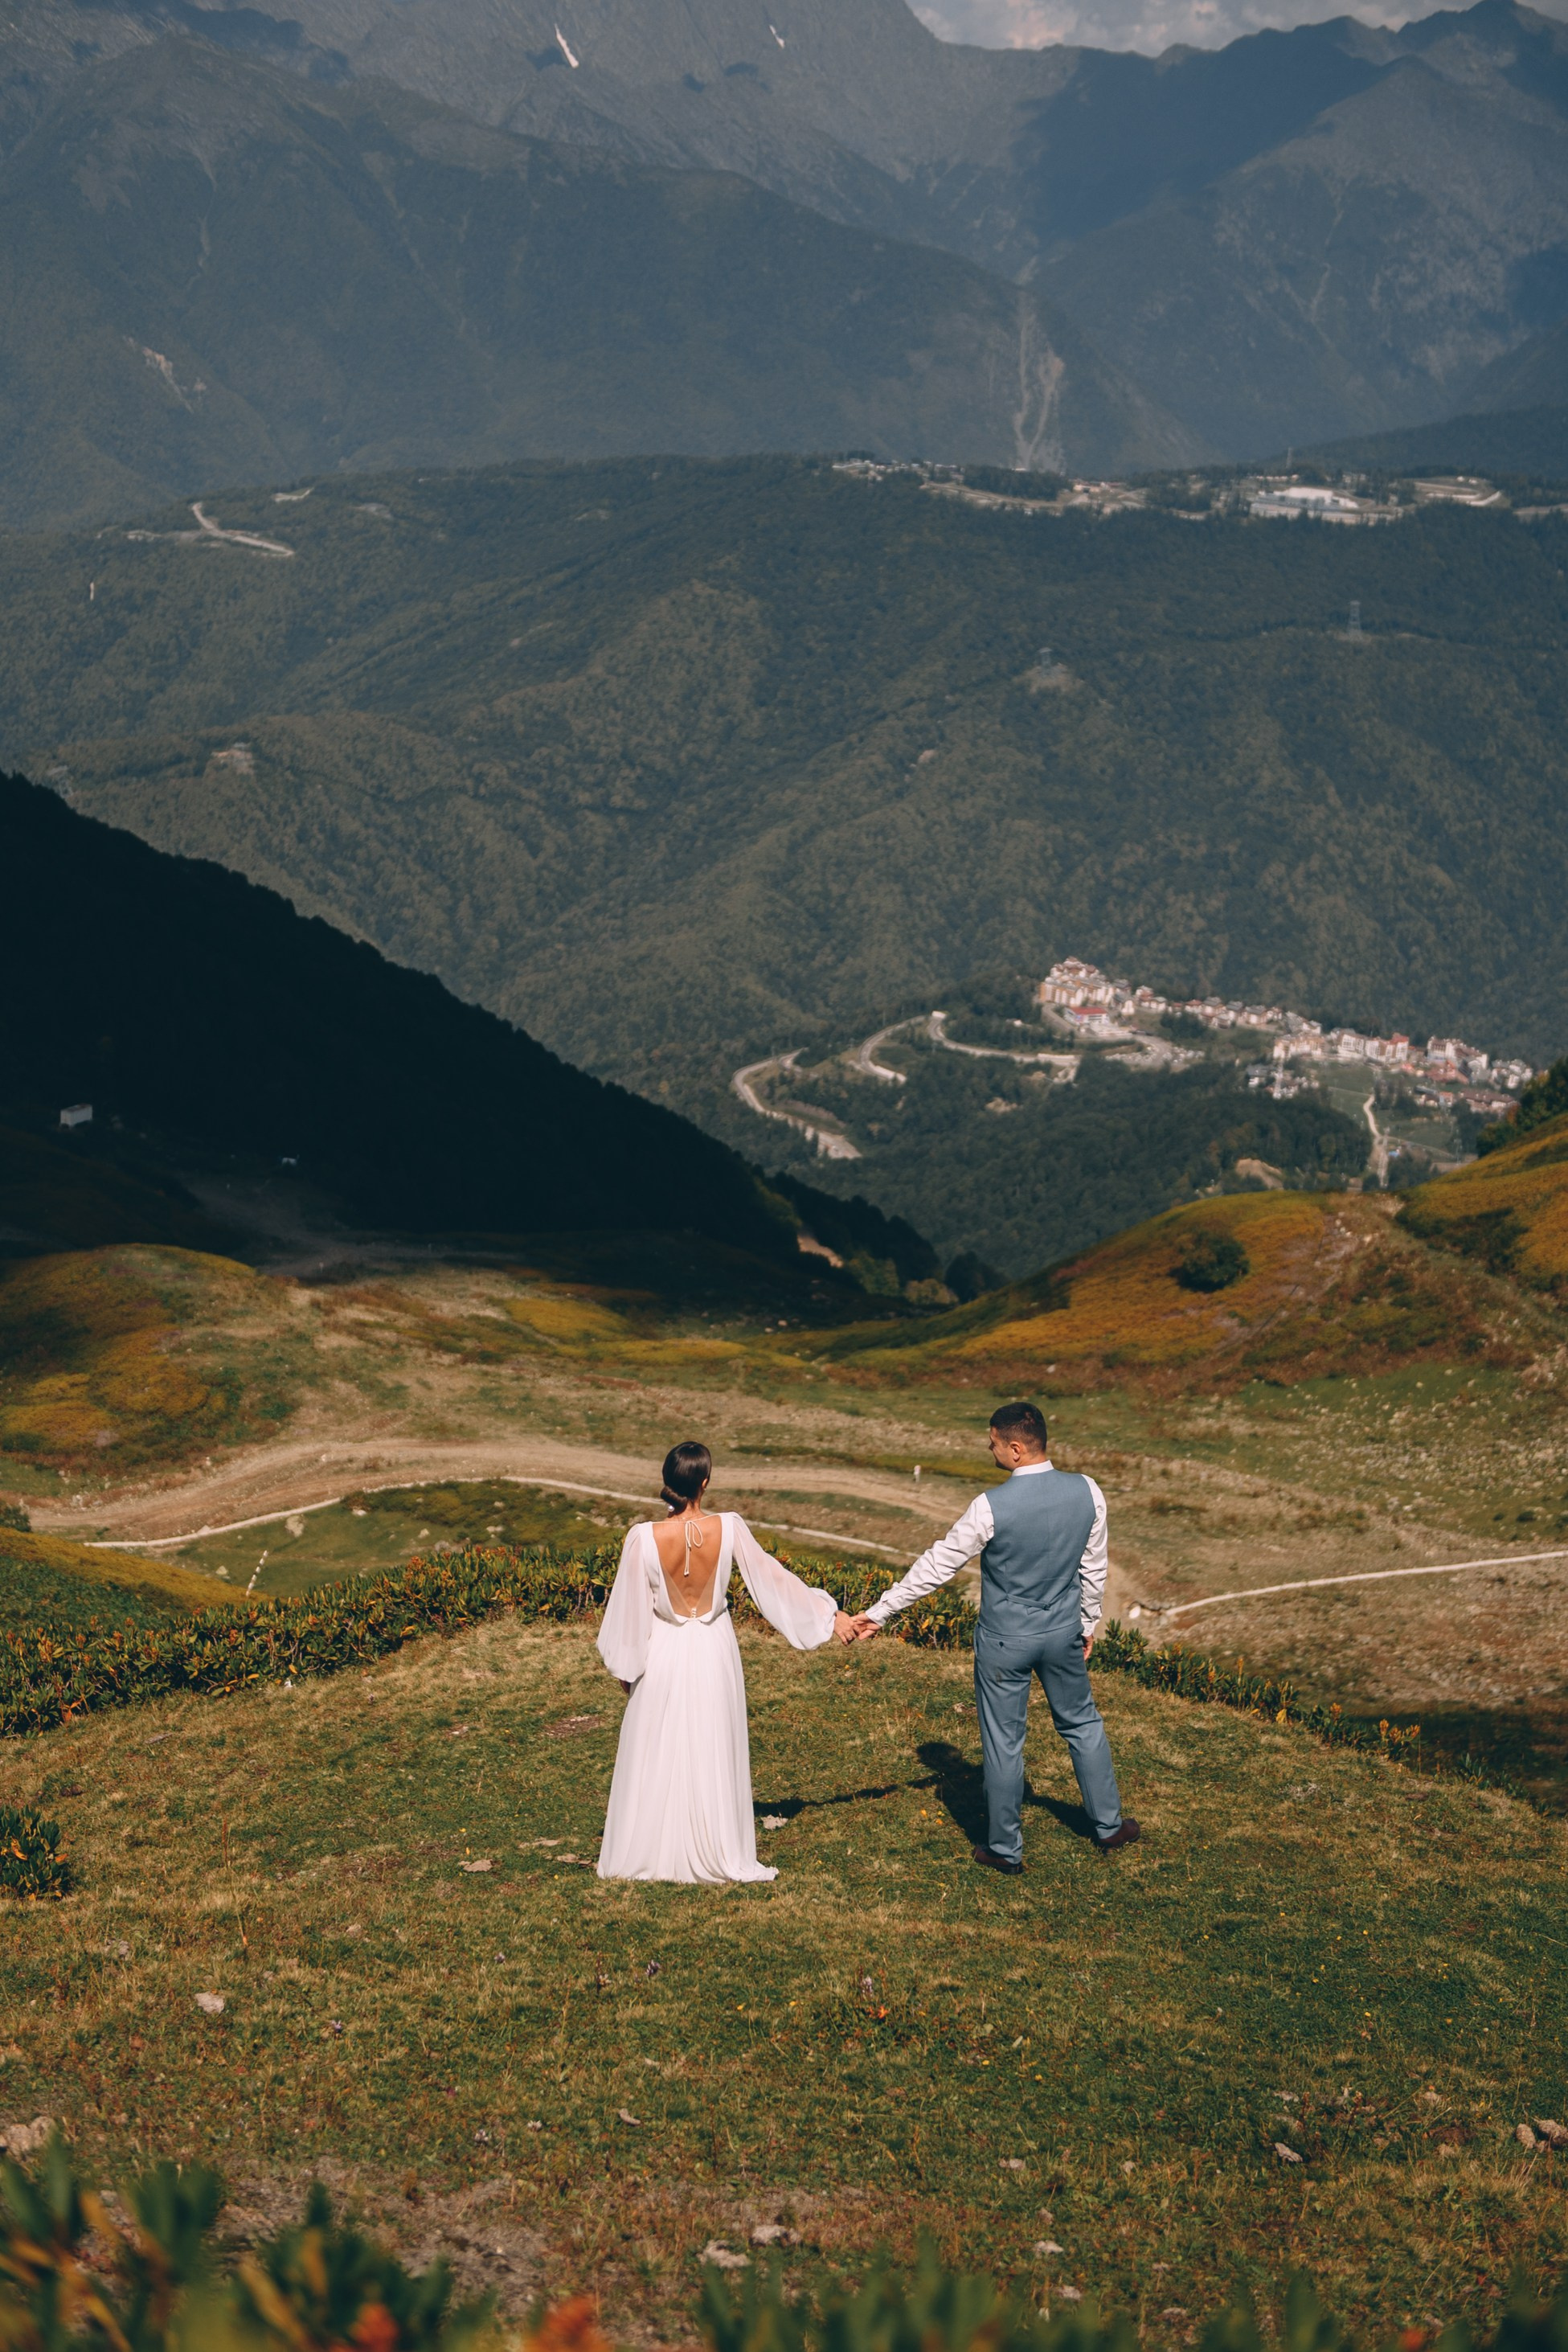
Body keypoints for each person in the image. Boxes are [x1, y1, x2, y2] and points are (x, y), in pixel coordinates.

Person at [846, 1401, 1138, 1871]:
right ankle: (1109, 1826)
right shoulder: (1089, 1491)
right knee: (1082, 1724)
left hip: (1005, 1640)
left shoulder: (989, 1506)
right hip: (1062, 1631)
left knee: (1004, 1741)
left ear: (1017, 1448)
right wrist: (1086, 1625)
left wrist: (882, 1612)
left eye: (995, 1443)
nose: (990, 1449)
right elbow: (1094, 1567)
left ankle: (1005, 1850)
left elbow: (938, 1565)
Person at [597, 1441, 859, 1883]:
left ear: (667, 1482)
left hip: (664, 1648)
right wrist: (830, 1618)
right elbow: (773, 1581)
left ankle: (649, 1848)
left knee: (658, 1744)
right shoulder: (730, 1527)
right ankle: (717, 1845)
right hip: (714, 1648)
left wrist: (627, 1668)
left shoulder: (642, 1538)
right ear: (704, 1483)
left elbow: (628, 1608)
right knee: (712, 1741)